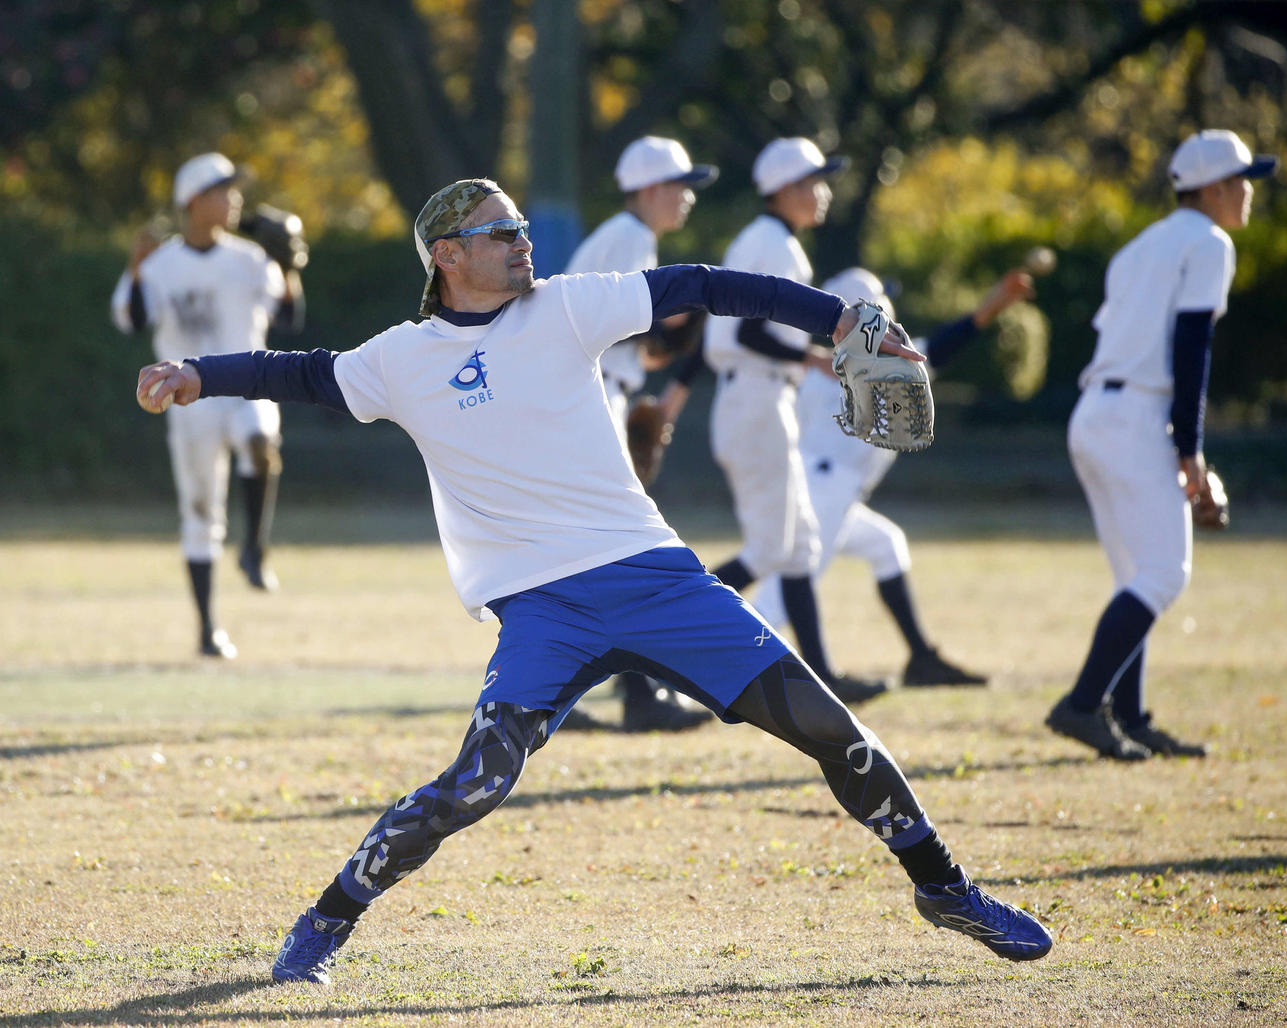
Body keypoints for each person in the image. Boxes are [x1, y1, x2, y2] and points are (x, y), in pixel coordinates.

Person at [134, 177, 1052, 985]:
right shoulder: (400, 360)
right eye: (505, 233)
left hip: (654, 578)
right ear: (449, 255)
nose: (526, 243)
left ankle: (949, 892)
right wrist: (194, 374)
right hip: (543, 608)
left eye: (526, 227)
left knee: (833, 730)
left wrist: (836, 316)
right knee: (474, 785)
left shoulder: (568, 305)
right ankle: (325, 923)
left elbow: (702, 285)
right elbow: (297, 371)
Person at [1046, 129, 1275, 760]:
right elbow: (1191, 344)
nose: (1250, 190)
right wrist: (1190, 449)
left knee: (1134, 576)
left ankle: (1130, 716)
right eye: (1244, 178)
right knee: (1164, 574)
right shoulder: (1209, 241)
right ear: (1216, 186)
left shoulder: (1136, 249)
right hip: (1137, 415)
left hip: (1093, 413)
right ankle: (1083, 705)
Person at [751, 266, 1036, 686]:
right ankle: (731, 669)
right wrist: (996, 302)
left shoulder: (827, 360)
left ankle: (921, 658)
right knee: (784, 590)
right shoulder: (870, 355)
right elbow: (941, 348)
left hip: (824, 485)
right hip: (825, 489)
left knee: (886, 545)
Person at [703, 138, 884, 704]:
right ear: (783, 189)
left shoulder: (762, 240)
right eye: (813, 182)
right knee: (767, 549)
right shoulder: (776, 245)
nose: (822, 192)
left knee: (800, 545)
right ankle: (645, 652)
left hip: (756, 398)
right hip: (755, 399)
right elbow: (749, 332)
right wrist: (814, 359)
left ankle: (822, 679)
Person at [111, 152, 305, 659]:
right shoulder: (161, 263)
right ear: (193, 202)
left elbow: (289, 318)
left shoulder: (248, 257)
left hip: (247, 387)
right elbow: (130, 320)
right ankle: (207, 630)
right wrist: (135, 271)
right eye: (223, 190)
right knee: (200, 516)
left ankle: (254, 549)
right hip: (188, 403)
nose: (234, 198)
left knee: (261, 443)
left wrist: (287, 265)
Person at [562, 135, 718, 732]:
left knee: (597, 549)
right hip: (592, 398)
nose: (687, 200)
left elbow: (605, 329)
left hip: (592, 394)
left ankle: (593, 694)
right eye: (681, 187)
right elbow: (606, 325)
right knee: (621, 544)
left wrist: (645, 364)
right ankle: (636, 695)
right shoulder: (630, 237)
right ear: (651, 189)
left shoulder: (620, 236)